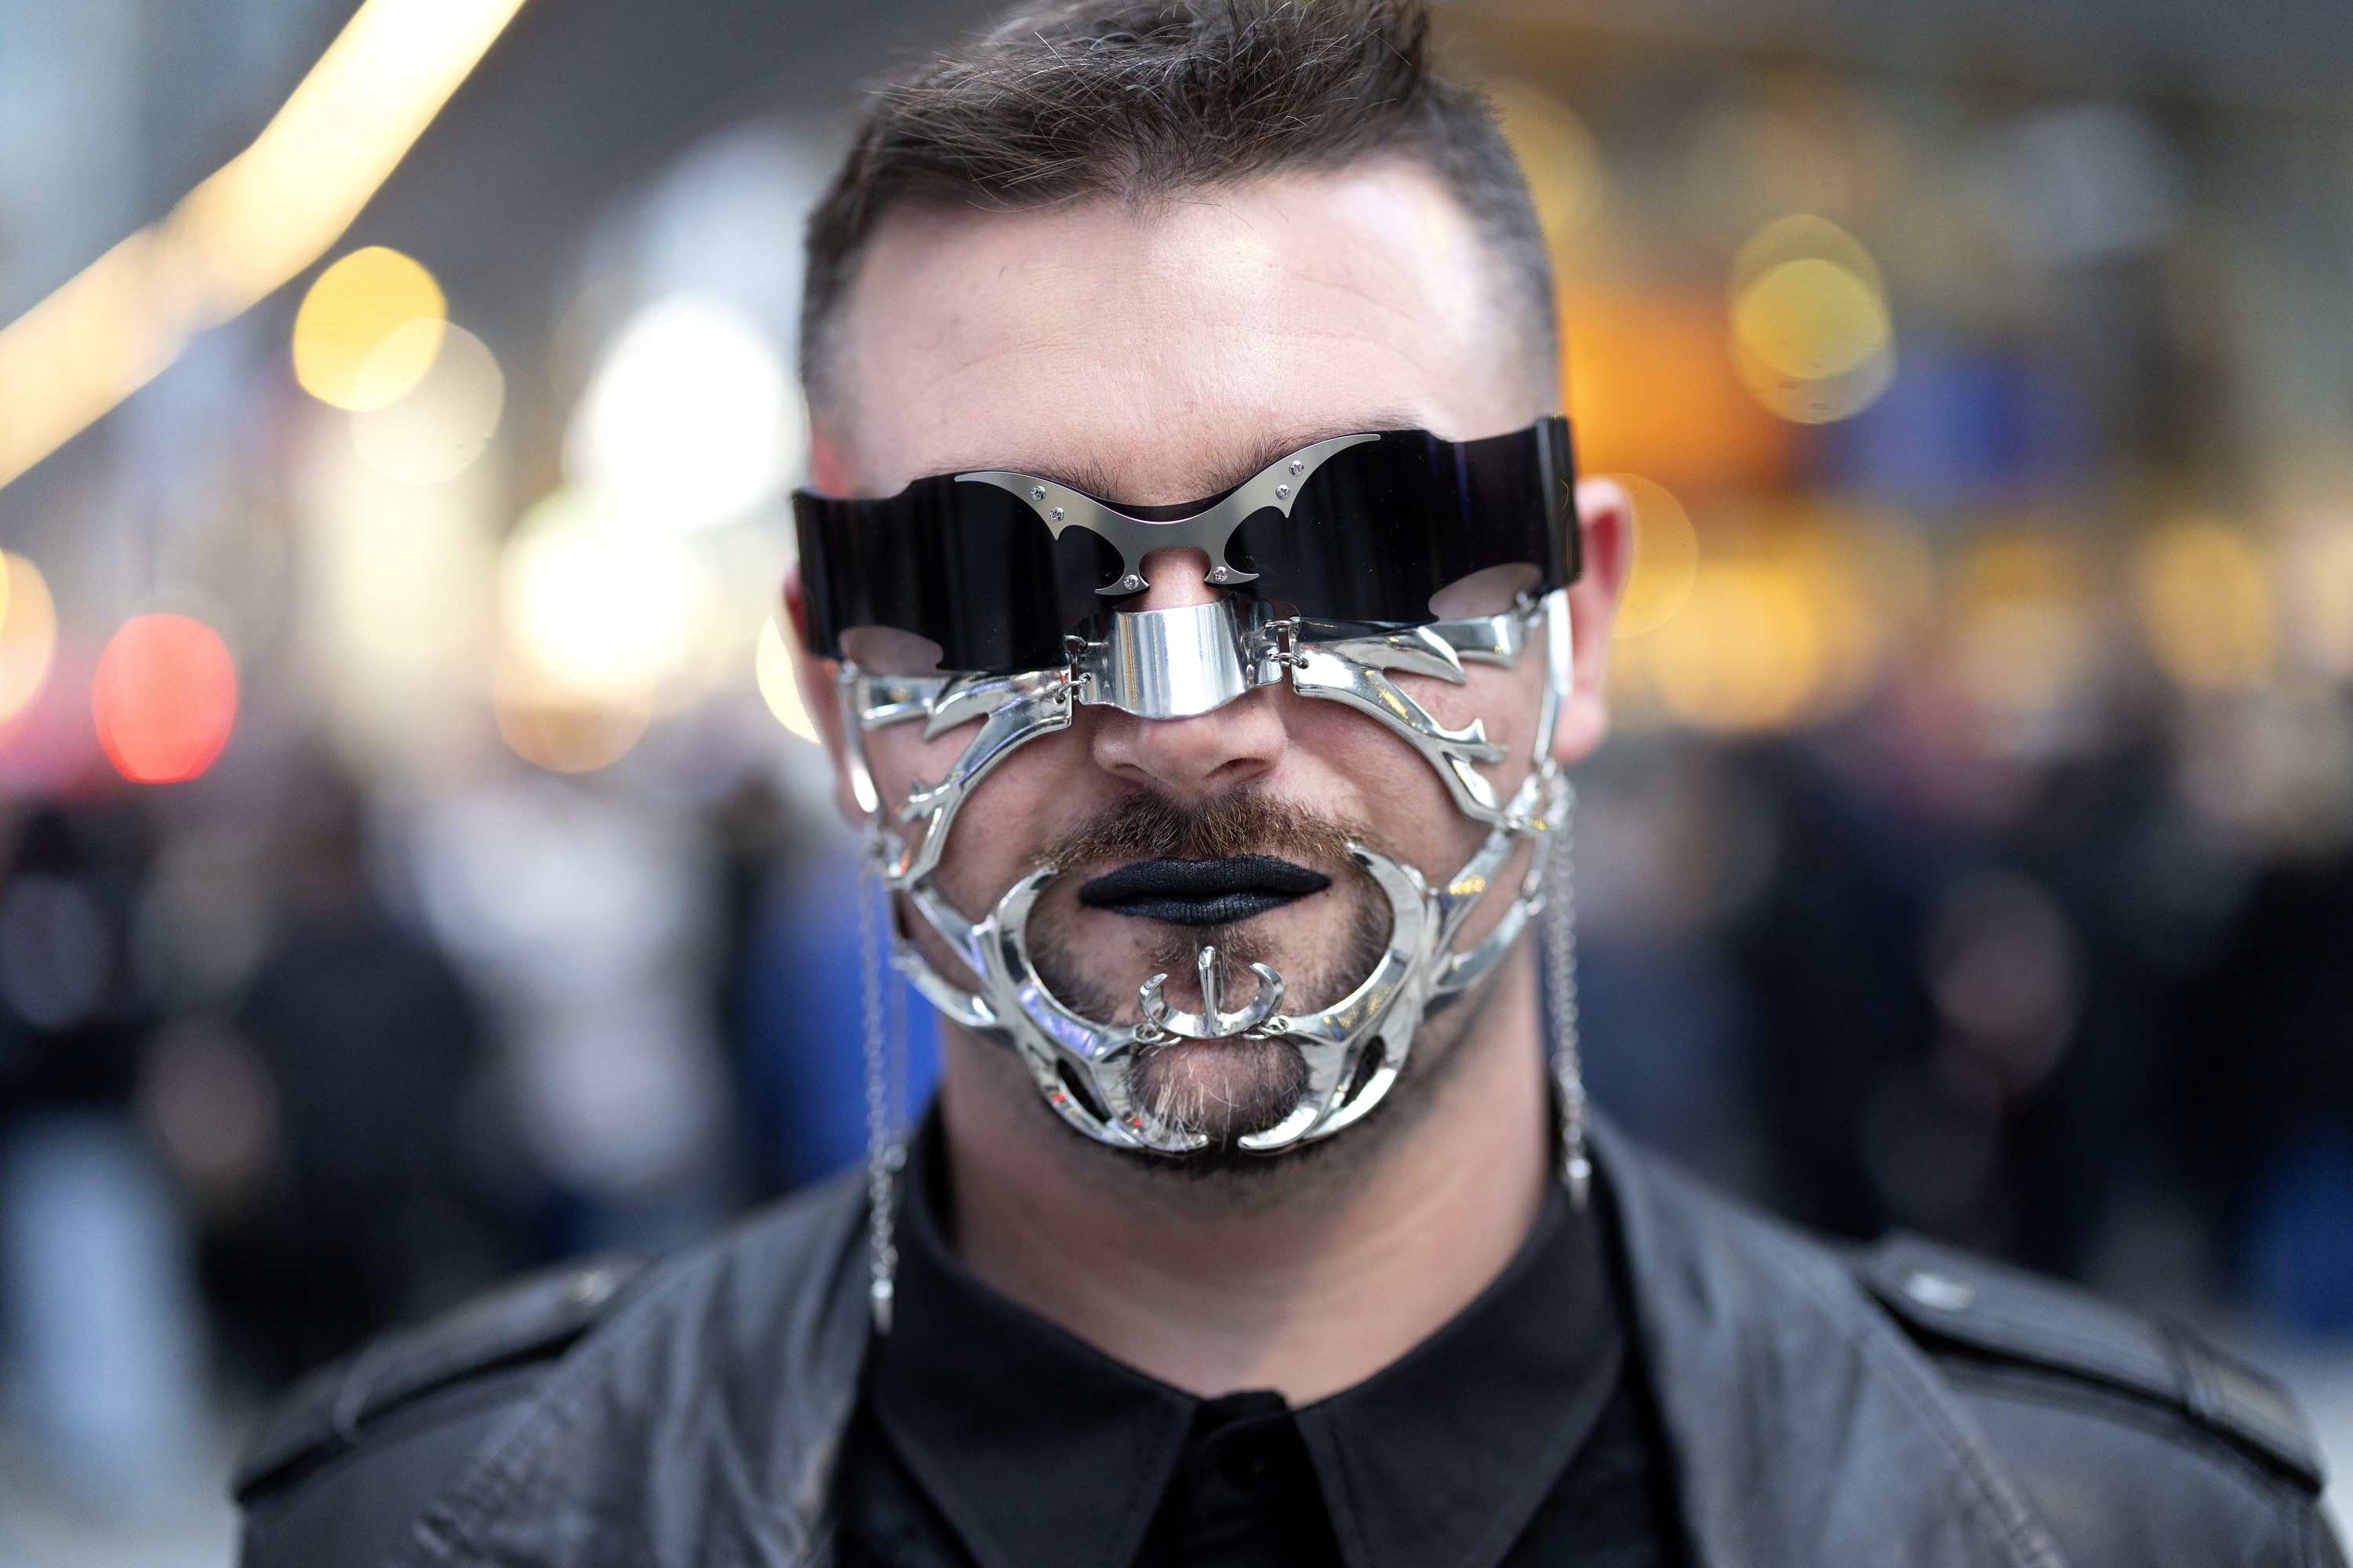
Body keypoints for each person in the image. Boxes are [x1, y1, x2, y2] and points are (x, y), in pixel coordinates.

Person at [234, 4, 2344, 1565]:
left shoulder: (2116, 1534)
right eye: (995, 571)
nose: (1183, 711)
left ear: (1580, 624)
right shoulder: (429, 1536)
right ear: (826, 673)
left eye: (1353, 543)